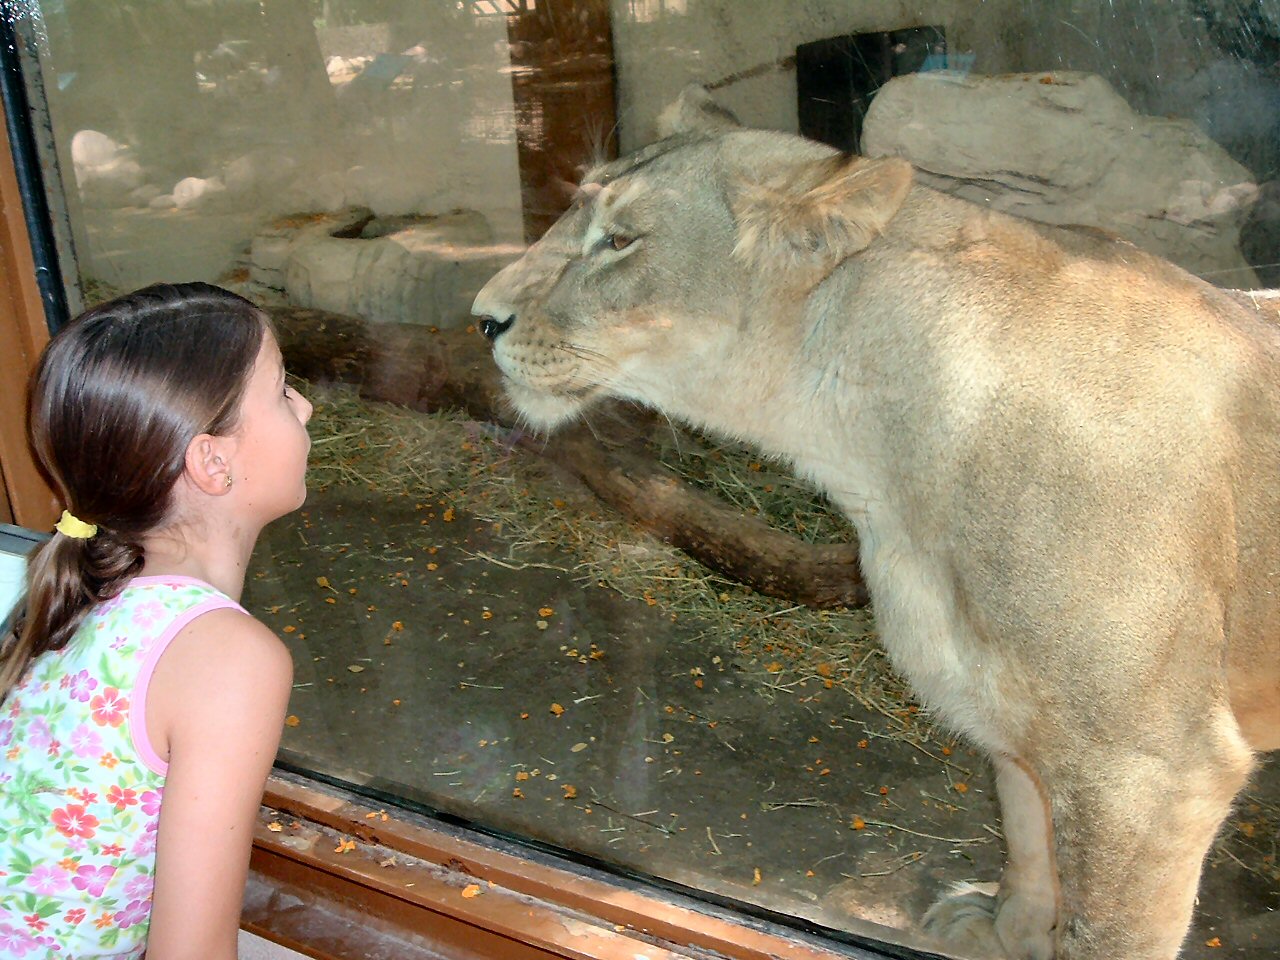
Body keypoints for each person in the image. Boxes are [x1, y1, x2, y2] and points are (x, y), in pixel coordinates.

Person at [0, 282, 311, 958]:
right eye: (283, 390)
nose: (307, 406)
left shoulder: (83, 595)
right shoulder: (229, 659)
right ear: (213, 461)